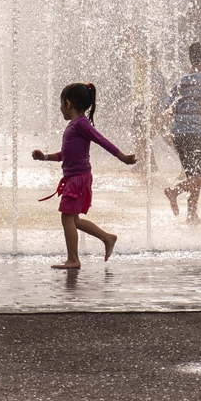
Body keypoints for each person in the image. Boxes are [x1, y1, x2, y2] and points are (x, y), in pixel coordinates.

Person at [33, 82, 138, 269]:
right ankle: (107, 238)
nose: (59, 109)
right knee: (74, 220)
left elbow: (101, 140)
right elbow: (66, 155)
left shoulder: (81, 123)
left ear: (68, 104)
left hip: (78, 179)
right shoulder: (75, 125)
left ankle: (73, 259)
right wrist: (45, 157)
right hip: (75, 178)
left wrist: (123, 158)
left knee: (67, 218)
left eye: (60, 105)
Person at [162, 41, 201, 225]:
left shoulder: (180, 81)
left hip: (178, 133)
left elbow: (168, 108)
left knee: (193, 175)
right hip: (195, 133)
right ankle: (174, 191)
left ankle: (192, 215)